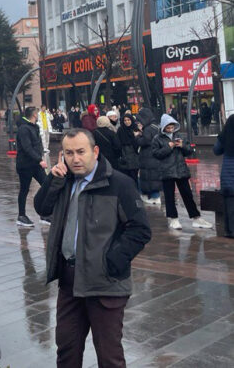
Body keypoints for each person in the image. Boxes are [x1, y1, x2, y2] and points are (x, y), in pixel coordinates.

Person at [34, 128, 151, 368]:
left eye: (81, 152)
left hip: (105, 284)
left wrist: (111, 262)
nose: (75, 159)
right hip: (69, 282)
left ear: (95, 151)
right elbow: (42, 208)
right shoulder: (64, 181)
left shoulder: (119, 184)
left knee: (109, 357)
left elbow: (140, 230)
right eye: (69, 153)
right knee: (67, 351)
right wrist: (52, 180)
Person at [152, 114, 213, 230]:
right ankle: (173, 219)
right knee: (169, 196)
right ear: (163, 127)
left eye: (172, 127)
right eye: (168, 127)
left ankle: (196, 217)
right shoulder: (157, 138)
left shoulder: (179, 136)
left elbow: (189, 151)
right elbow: (156, 154)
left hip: (181, 170)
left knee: (187, 194)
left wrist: (182, 146)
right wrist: (168, 147)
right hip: (167, 172)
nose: (170, 130)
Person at [15, 107, 48, 227]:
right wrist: (39, 160)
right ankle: (21, 216)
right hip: (25, 165)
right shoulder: (24, 129)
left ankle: (45, 214)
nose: (38, 115)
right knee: (24, 190)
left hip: (35, 164)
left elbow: (37, 145)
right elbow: (27, 147)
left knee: (47, 185)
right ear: (34, 115)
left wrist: (40, 156)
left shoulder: (35, 127)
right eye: (37, 113)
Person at [214, 114, 234, 238]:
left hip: (227, 175)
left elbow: (216, 150)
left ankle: (229, 230)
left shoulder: (224, 136)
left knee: (229, 204)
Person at [136, 108, 162, 205]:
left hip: (148, 156)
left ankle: (154, 197)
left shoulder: (148, 129)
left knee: (148, 177)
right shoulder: (156, 126)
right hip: (155, 155)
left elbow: (145, 141)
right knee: (154, 177)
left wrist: (138, 137)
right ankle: (156, 196)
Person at [117, 114, 141, 185]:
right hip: (125, 155)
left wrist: (136, 136)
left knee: (136, 176)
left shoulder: (135, 128)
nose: (127, 122)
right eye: (125, 120)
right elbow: (118, 143)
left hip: (135, 155)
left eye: (128, 120)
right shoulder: (120, 130)